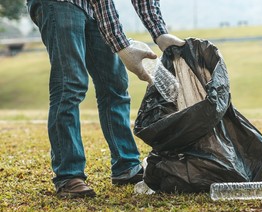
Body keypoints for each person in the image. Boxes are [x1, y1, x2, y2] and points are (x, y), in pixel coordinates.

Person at [26, 0, 185, 198]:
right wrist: (122, 47)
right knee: (70, 84)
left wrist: (159, 32)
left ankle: (126, 166)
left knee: (115, 85)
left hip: (93, 9)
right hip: (60, 4)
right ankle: (69, 175)